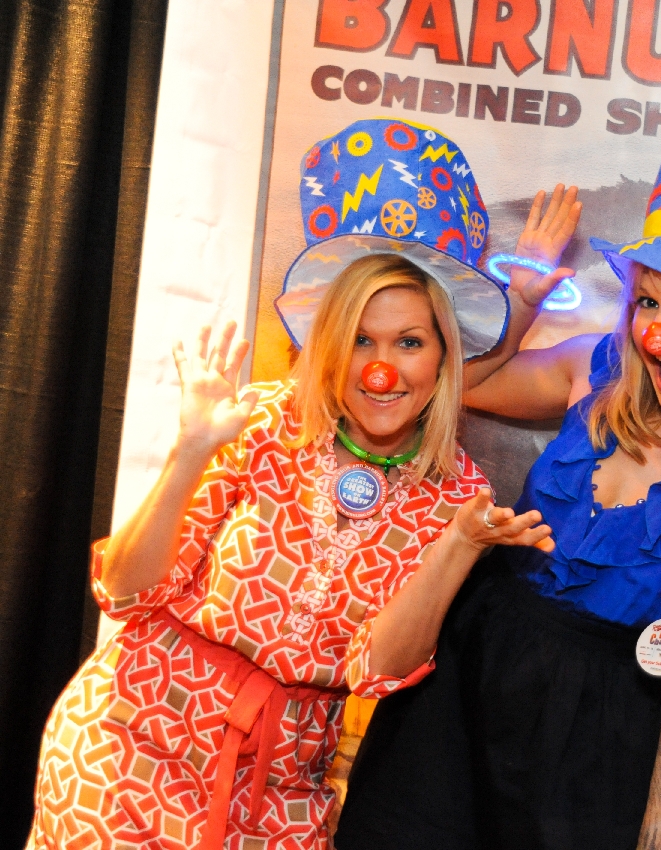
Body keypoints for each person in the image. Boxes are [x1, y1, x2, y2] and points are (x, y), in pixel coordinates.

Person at [26, 121, 559, 849]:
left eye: (408, 342)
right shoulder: (261, 420)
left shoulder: (453, 494)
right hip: (128, 753)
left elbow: (378, 671)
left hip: (279, 793)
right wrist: (190, 451)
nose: (381, 369)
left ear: (443, 356)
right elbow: (124, 591)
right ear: (330, 344)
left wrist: (459, 545)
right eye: (361, 340)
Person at [336, 82, 661, 850]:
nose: (656, 330)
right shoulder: (596, 373)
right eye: (648, 301)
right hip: (461, 682)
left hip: (591, 734)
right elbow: (464, 382)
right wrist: (523, 296)